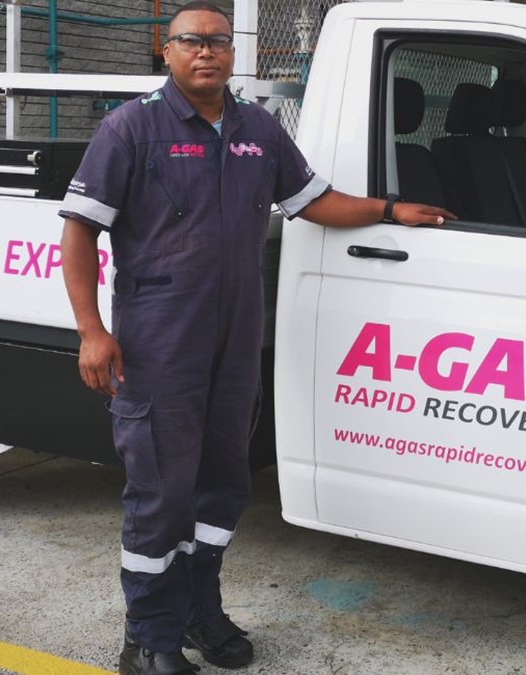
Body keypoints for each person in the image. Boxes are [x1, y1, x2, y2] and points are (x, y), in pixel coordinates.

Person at [60, 3, 455, 673]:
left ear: (231, 54)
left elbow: (312, 200)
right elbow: (79, 230)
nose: (206, 52)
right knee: (160, 492)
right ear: (167, 51)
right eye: (191, 41)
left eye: (217, 41)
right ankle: (149, 637)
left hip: (236, 344)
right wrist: (93, 330)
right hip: (158, 346)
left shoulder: (257, 130)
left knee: (220, 484)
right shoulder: (131, 129)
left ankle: (198, 610)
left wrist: (390, 210)